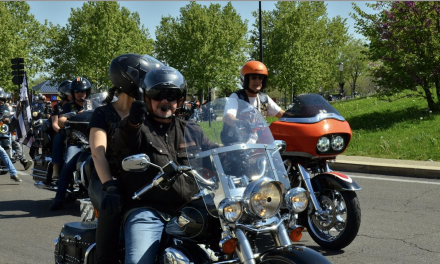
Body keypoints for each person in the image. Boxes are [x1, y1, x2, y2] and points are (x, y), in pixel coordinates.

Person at [113, 66, 217, 264]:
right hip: (148, 211)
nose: (165, 101)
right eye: (158, 94)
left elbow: (215, 153)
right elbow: (123, 143)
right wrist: (132, 122)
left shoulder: (191, 130)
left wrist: (248, 155)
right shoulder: (138, 127)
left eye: (171, 95)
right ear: (146, 98)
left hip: (191, 210)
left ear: (179, 100)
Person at [87, 53, 161, 264]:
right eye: (145, 79)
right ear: (129, 81)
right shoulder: (103, 113)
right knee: (112, 207)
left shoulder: (147, 113)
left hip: (140, 177)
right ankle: (105, 260)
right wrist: (109, 186)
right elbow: (97, 153)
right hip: (106, 178)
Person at [50, 77, 91, 211]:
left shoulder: (93, 104)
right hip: (76, 142)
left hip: (93, 141)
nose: (81, 93)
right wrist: (67, 121)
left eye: (83, 91)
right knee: (68, 164)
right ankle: (59, 199)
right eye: (78, 91)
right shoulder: (69, 106)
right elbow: (61, 120)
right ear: (73, 93)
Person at [223, 60, 284, 126]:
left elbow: (282, 114)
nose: (257, 81)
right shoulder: (237, 97)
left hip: (260, 136)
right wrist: (240, 123)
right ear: (245, 80)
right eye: (253, 77)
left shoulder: (263, 99)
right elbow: (227, 117)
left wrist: (295, 116)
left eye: (261, 78)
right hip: (238, 135)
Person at [0, 91, 33, 170]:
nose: (0, 101)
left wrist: (12, 116)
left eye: (1, 100)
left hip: (5, 129)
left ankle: (24, 161)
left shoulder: (7, 107)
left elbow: (12, 115)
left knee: (15, 141)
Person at [50, 80, 72, 180]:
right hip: (62, 130)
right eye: (69, 92)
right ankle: (56, 166)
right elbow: (54, 124)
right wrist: (60, 131)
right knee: (58, 138)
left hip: (77, 130)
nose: (71, 93)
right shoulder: (58, 107)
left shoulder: (80, 105)